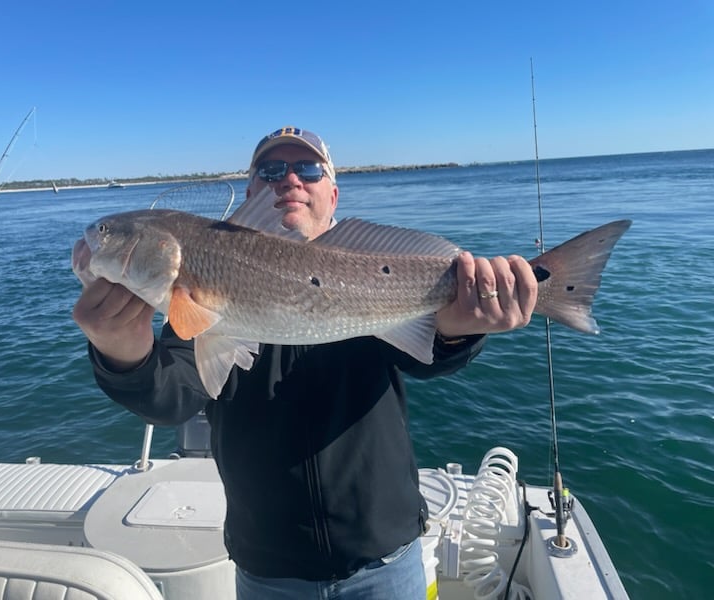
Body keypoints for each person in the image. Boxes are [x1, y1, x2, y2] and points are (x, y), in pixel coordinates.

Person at [73, 126, 538, 599]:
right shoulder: (195, 295)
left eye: (308, 169)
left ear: (332, 196)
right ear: (251, 193)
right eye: (271, 171)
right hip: (269, 569)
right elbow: (172, 396)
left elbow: (424, 355)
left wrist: (459, 328)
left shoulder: (367, 270)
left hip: (386, 558)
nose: (290, 179)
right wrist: (122, 350)